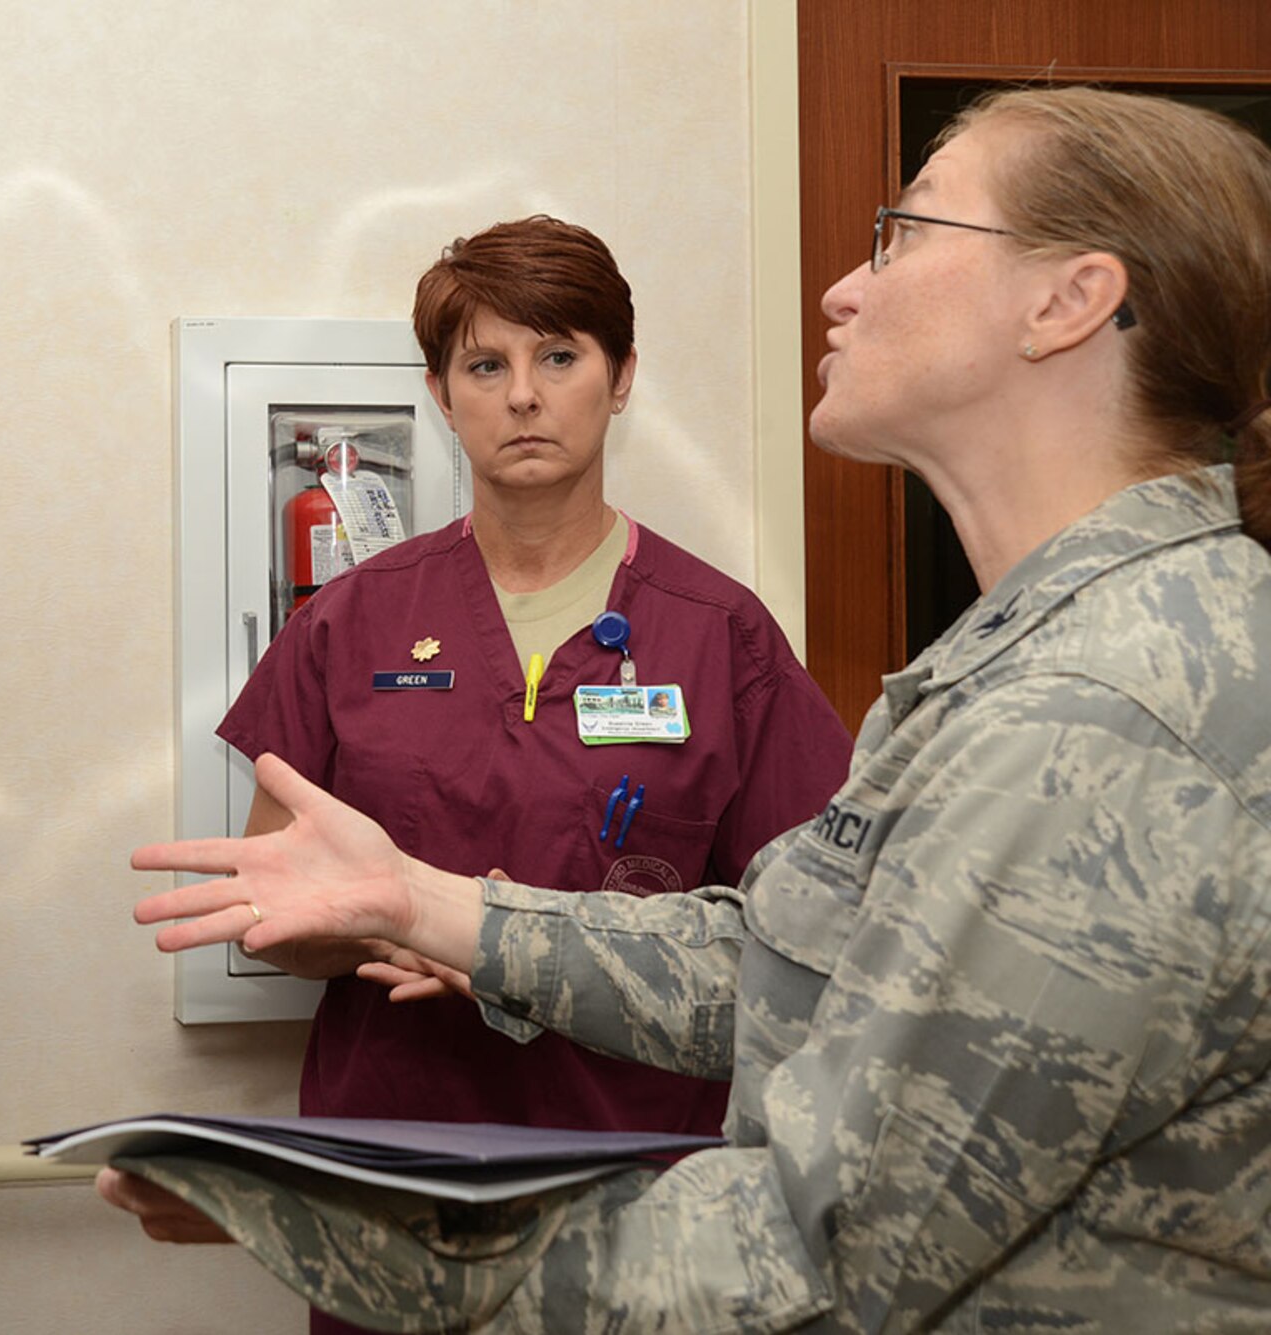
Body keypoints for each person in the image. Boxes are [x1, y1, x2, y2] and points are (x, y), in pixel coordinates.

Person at [101, 85, 1271, 1331]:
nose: (842, 288)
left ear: (1065, 301)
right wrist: (424, 907)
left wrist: (336, 1217)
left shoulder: (1094, 713)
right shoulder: (1016, 668)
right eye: (484, 364)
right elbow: (792, 966)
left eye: (907, 230)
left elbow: (825, 1254)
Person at [222, 217, 849, 1332]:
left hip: (637, 1194)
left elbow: (812, 944)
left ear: (619, 381)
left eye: (558, 357)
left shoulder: (720, 634)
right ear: (439, 392)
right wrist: (408, 928)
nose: (522, 395)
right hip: (395, 1189)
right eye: (484, 364)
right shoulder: (349, 622)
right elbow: (268, 915)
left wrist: (518, 951)